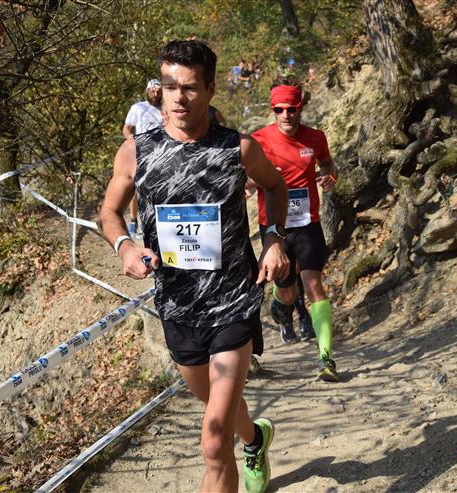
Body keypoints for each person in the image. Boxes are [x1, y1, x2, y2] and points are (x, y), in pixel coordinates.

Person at [99, 40, 290, 493]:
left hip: (233, 302)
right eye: (170, 87)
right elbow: (108, 212)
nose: (179, 98)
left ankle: (240, 448)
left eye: (189, 88)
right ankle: (255, 438)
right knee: (220, 409)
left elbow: (275, 187)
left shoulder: (237, 149)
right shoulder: (136, 152)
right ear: (159, 89)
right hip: (178, 306)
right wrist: (125, 247)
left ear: (210, 90)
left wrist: (274, 239)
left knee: (213, 440)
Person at [251, 82, 340, 382]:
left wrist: (329, 175)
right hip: (274, 228)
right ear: (273, 110)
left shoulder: (315, 138)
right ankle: (280, 304)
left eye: (292, 109)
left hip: (307, 223)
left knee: (314, 286)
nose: (286, 115)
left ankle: (326, 358)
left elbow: (327, 163)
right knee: (288, 294)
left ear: (300, 108)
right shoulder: (259, 139)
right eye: (279, 110)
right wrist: (256, 181)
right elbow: (244, 177)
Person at [122, 79, 163, 236]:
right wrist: (132, 141)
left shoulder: (166, 109)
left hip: (160, 153)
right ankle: (133, 221)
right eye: (153, 91)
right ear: (147, 91)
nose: (155, 94)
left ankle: (155, 222)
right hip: (140, 152)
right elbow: (126, 129)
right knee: (135, 188)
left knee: (157, 188)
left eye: (158, 91)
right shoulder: (138, 107)